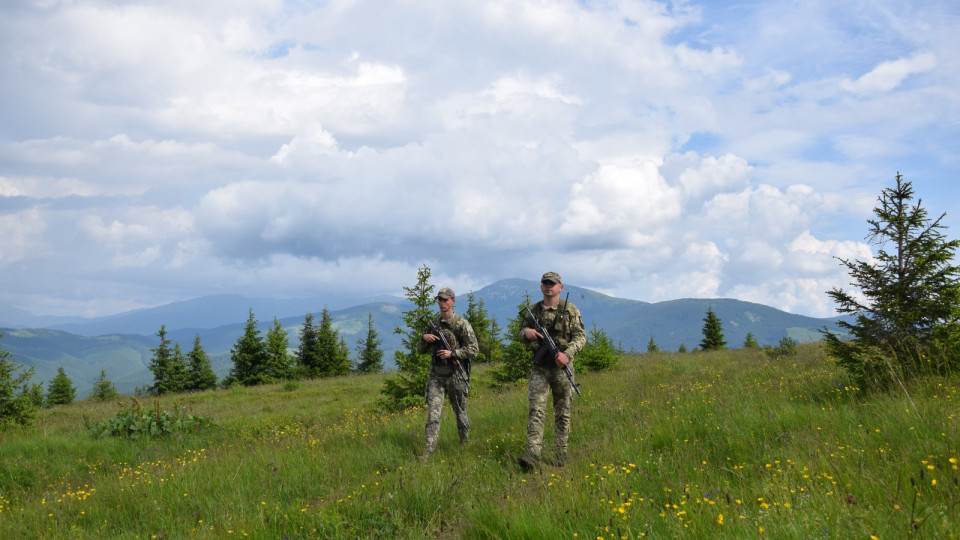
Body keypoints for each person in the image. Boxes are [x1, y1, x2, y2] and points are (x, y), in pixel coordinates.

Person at [517, 272, 586, 469]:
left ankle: (560, 454)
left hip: (562, 368)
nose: (549, 287)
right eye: (545, 283)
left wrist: (567, 354)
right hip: (540, 368)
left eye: (552, 284)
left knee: (562, 412)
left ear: (560, 287)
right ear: (541, 287)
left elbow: (580, 337)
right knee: (536, 410)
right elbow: (521, 332)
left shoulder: (570, 310)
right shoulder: (534, 310)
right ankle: (533, 456)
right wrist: (527, 333)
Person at [416, 287, 478, 461]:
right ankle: (428, 452)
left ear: (453, 301)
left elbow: (474, 349)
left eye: (445, 300)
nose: (442, 303)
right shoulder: (433, 324)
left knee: (460, 413)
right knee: (433, 414)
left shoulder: (461, 324)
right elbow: (420, 350)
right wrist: (424, 338)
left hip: (456, 375)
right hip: (436, 375)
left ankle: (465, 445)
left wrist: (454, 354)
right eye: (440, 300)